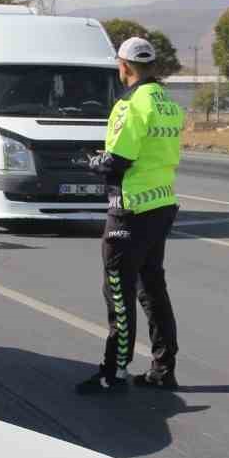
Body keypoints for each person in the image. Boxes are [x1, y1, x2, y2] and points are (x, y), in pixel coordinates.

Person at [75, 37, 184, 395]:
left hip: (130, 211)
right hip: (161, 205)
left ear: (124, 67)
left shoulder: (130, 105)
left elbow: (117, 161)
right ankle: (163, 369)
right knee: (153, 290)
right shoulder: (168, 104)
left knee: (119, 294)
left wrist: (90, 162)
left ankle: (113, 373)